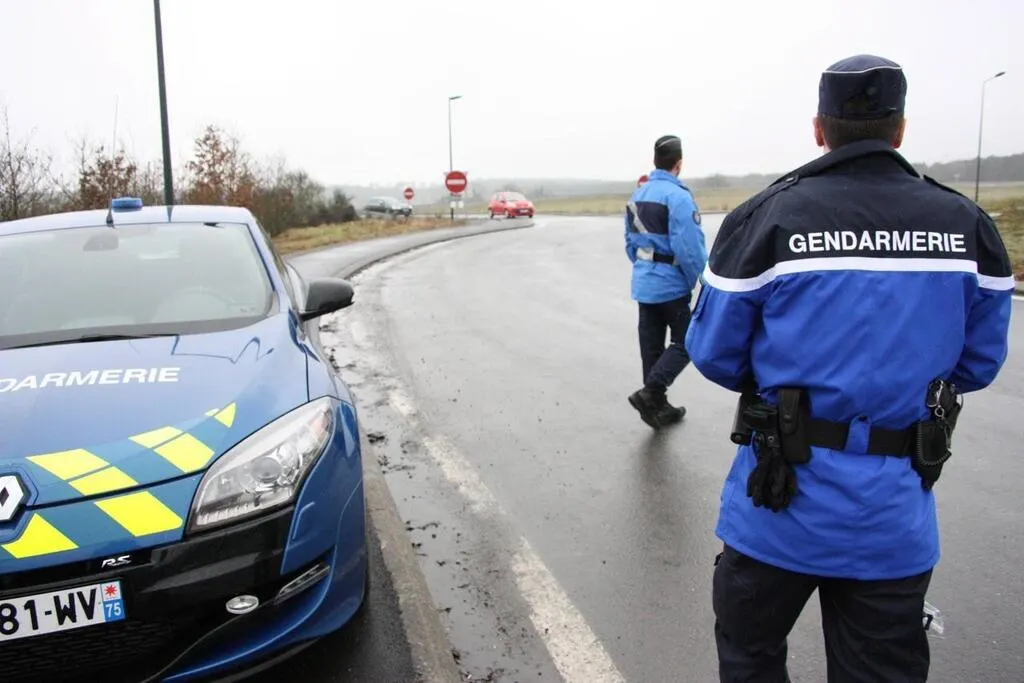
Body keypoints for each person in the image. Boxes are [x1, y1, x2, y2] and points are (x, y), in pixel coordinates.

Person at [684, 54, 1014, 682]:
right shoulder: (966, 225)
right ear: (900, 130)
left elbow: (713, 353)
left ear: (819, 128)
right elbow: (978, 363)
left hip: (776, 505)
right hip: (892, 518)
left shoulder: (768, 218)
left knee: (751, 661)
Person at [624, 135, 708, 429]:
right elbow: (688, 248)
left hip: (644, 283)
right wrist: (700, 279)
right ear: (679, 163)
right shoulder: (679, 197)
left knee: (652, 348)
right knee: (688, 341)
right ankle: (651, 393)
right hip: (670, 284)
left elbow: (630, 243)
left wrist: (645, 268)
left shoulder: (639, 195)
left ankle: (656, 406)